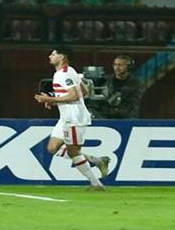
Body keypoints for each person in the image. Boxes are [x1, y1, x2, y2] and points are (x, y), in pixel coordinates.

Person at [34, 48, 108, 191]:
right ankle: (96, 160)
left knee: (73, 152)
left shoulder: (62, 75)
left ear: (62, 57)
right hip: (65, 117)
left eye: (53, 54)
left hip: (73, 118)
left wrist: (50, 99)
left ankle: (96, 184)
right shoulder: (71, 71)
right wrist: (55, 101)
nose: (50, 56)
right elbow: (84, 91)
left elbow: (74, 95)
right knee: (52, 148)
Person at [88, 55, 145, 119]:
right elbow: (95, 100)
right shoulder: (104, 80)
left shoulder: (136, 84)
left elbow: (132, 105)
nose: (117, 67)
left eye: (121, 65)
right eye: (115, 64)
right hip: (104, 118)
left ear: (129, 67)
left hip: (127, 118)